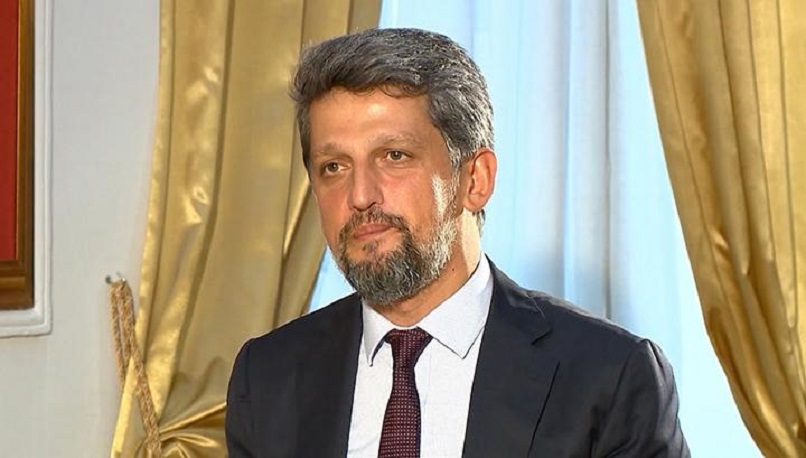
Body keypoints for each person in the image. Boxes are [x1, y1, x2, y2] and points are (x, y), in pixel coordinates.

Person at [226, 28, 689, 458]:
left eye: (394, 156)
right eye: (334, 167)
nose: (360, 195)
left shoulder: (608, 376)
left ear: (475, 179)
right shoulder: (267, 377)